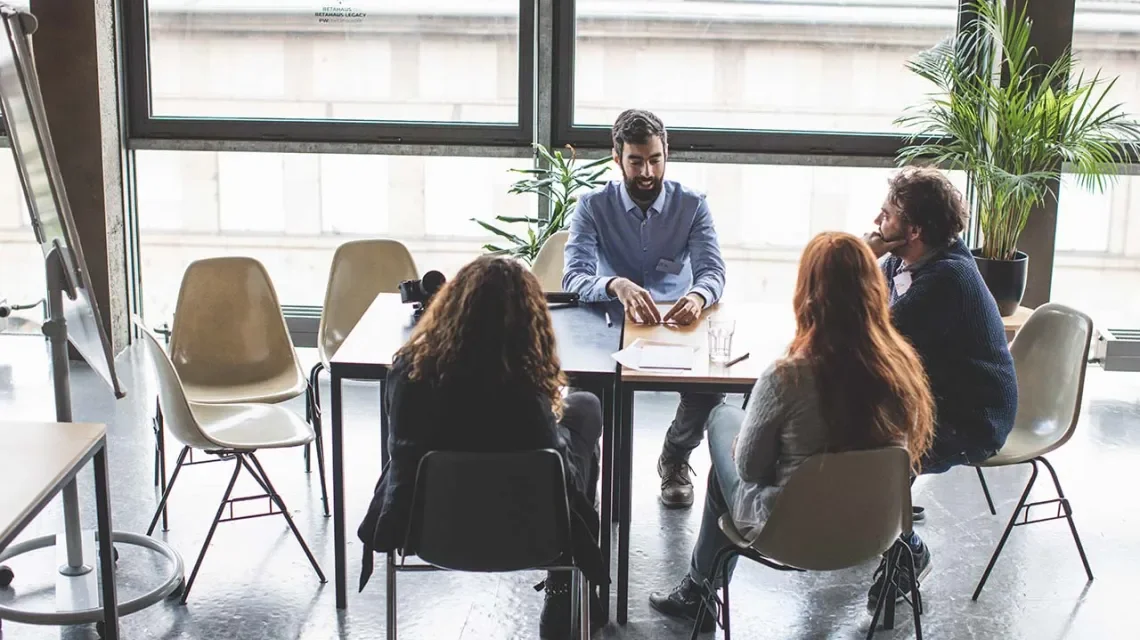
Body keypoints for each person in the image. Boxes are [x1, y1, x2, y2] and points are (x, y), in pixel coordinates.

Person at [648, 231, 936, 629]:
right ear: (874, 290)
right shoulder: (903, 368)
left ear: (807, 293)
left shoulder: (789, 376)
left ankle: (699, 591)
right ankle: (699, 588)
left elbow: (750, 471)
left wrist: (744, 443)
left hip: (791, 533)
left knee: (720, 422)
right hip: (874, 531)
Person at [356, 256, 607, 639]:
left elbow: (401, 455)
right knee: (585, 408)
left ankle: (562, 585)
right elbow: (562, 476)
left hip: (425, 530)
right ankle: (563, 585)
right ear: (530, 318)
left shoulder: (408, 371)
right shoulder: (526, 384)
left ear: (451, 304)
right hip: (535, 533)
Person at [862, 165, 1018, 608]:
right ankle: (882, 525)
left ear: (912, 229)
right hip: (930, 399)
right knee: (855, 428)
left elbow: (868, 338)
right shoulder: (903, 260)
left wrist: (858, 255)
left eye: (887, 214)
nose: (877, 221)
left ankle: (907, 548)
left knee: (869, 450)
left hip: (971, 419)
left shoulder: (948, 279)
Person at [563, 108, 728, 508]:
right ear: (616, 157)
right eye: (636, 162)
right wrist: (614, 284)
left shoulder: (692, 206)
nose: (647, 172)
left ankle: (675, 455)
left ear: (666, 153)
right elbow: (573, 279)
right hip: (607, 323)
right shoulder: (591, 206)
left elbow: (713, 273)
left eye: (655, 160)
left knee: (709, 393)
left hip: (673, 325)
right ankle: (585, 482)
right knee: (583, 401)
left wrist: (696, 296)